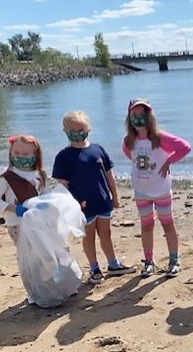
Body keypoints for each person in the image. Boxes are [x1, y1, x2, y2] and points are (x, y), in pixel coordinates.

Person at [53, 110, 136, 284]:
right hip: (82, 206)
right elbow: (62, 186)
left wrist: (115, 195)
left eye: (81, 130)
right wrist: (67, 207)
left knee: (106, 233)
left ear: (89, 129)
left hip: (102, 200)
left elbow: (109, 174)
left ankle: (113, 264)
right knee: (88, 236)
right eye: (73, 131)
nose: (78, 134)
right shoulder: (63, 157)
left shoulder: (98, 150)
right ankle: (94, 268)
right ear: (65, 131)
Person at [123, 98, 191, 278]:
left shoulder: (159, 137)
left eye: (142, 114)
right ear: (129, 118)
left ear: (149, 116)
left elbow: (185, 147)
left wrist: (169, 161)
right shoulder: (130, 139)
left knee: (168, 224)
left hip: (161, 189)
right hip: (141, 190)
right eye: (134, 115)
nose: (138, 118)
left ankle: (174, 260)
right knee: (146, 225)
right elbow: (128, 153)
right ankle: (148, 261)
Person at [0, 134, 48, 245]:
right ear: (11, 154)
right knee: (26, 253)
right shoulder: (7, 178)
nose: (20, 157)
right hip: (16, 224)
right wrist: (13, 209)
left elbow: (45, 193)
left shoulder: (40, 175)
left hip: (37, 221)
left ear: (35, 155)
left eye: (25, 154)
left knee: (40, 252)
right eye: (16, 153)